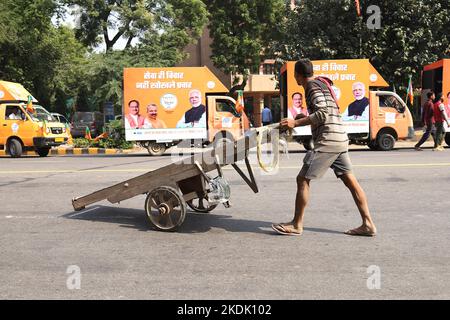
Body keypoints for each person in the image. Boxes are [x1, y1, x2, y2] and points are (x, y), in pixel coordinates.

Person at [272, 58, 377, 237]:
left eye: (295, 75)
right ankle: (368, 224)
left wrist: (295, 122)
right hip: (340, 137)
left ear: (298, 75)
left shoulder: (311, 87)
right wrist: (300, 117)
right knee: (351, 182)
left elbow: (322, 113)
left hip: (328, 140)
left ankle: (297, 225)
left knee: (302, 179)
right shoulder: (321, 83)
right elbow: (323, 110)